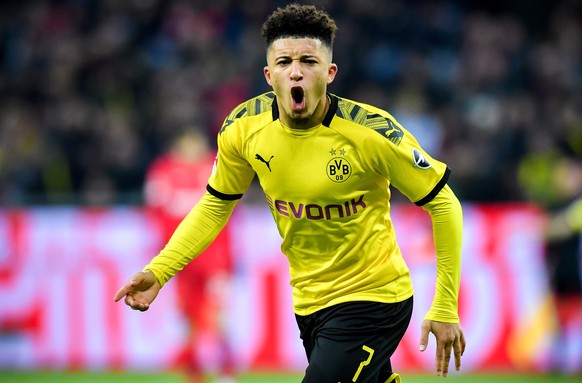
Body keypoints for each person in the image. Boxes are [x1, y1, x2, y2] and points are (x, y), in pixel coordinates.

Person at [115, 4, 466, 382]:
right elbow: (215, 207)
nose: (296, 71)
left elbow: (445, 204)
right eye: (284, 62)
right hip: (310, 303)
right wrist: (159, 271)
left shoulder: (373, 134)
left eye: (308, 61)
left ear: (330, 73)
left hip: (374, 299)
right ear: (269, 75)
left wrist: (445, 305)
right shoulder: (242, 129)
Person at [143, 128, 235, 382]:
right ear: (178, 145)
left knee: (216, 316)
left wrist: (228, 259)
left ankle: (227, 372)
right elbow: (155, 213)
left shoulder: (214, 165)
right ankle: (194, 375)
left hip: (213, 257)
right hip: (181, 260)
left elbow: (228, 213)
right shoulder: (162, 171)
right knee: (189, 319)